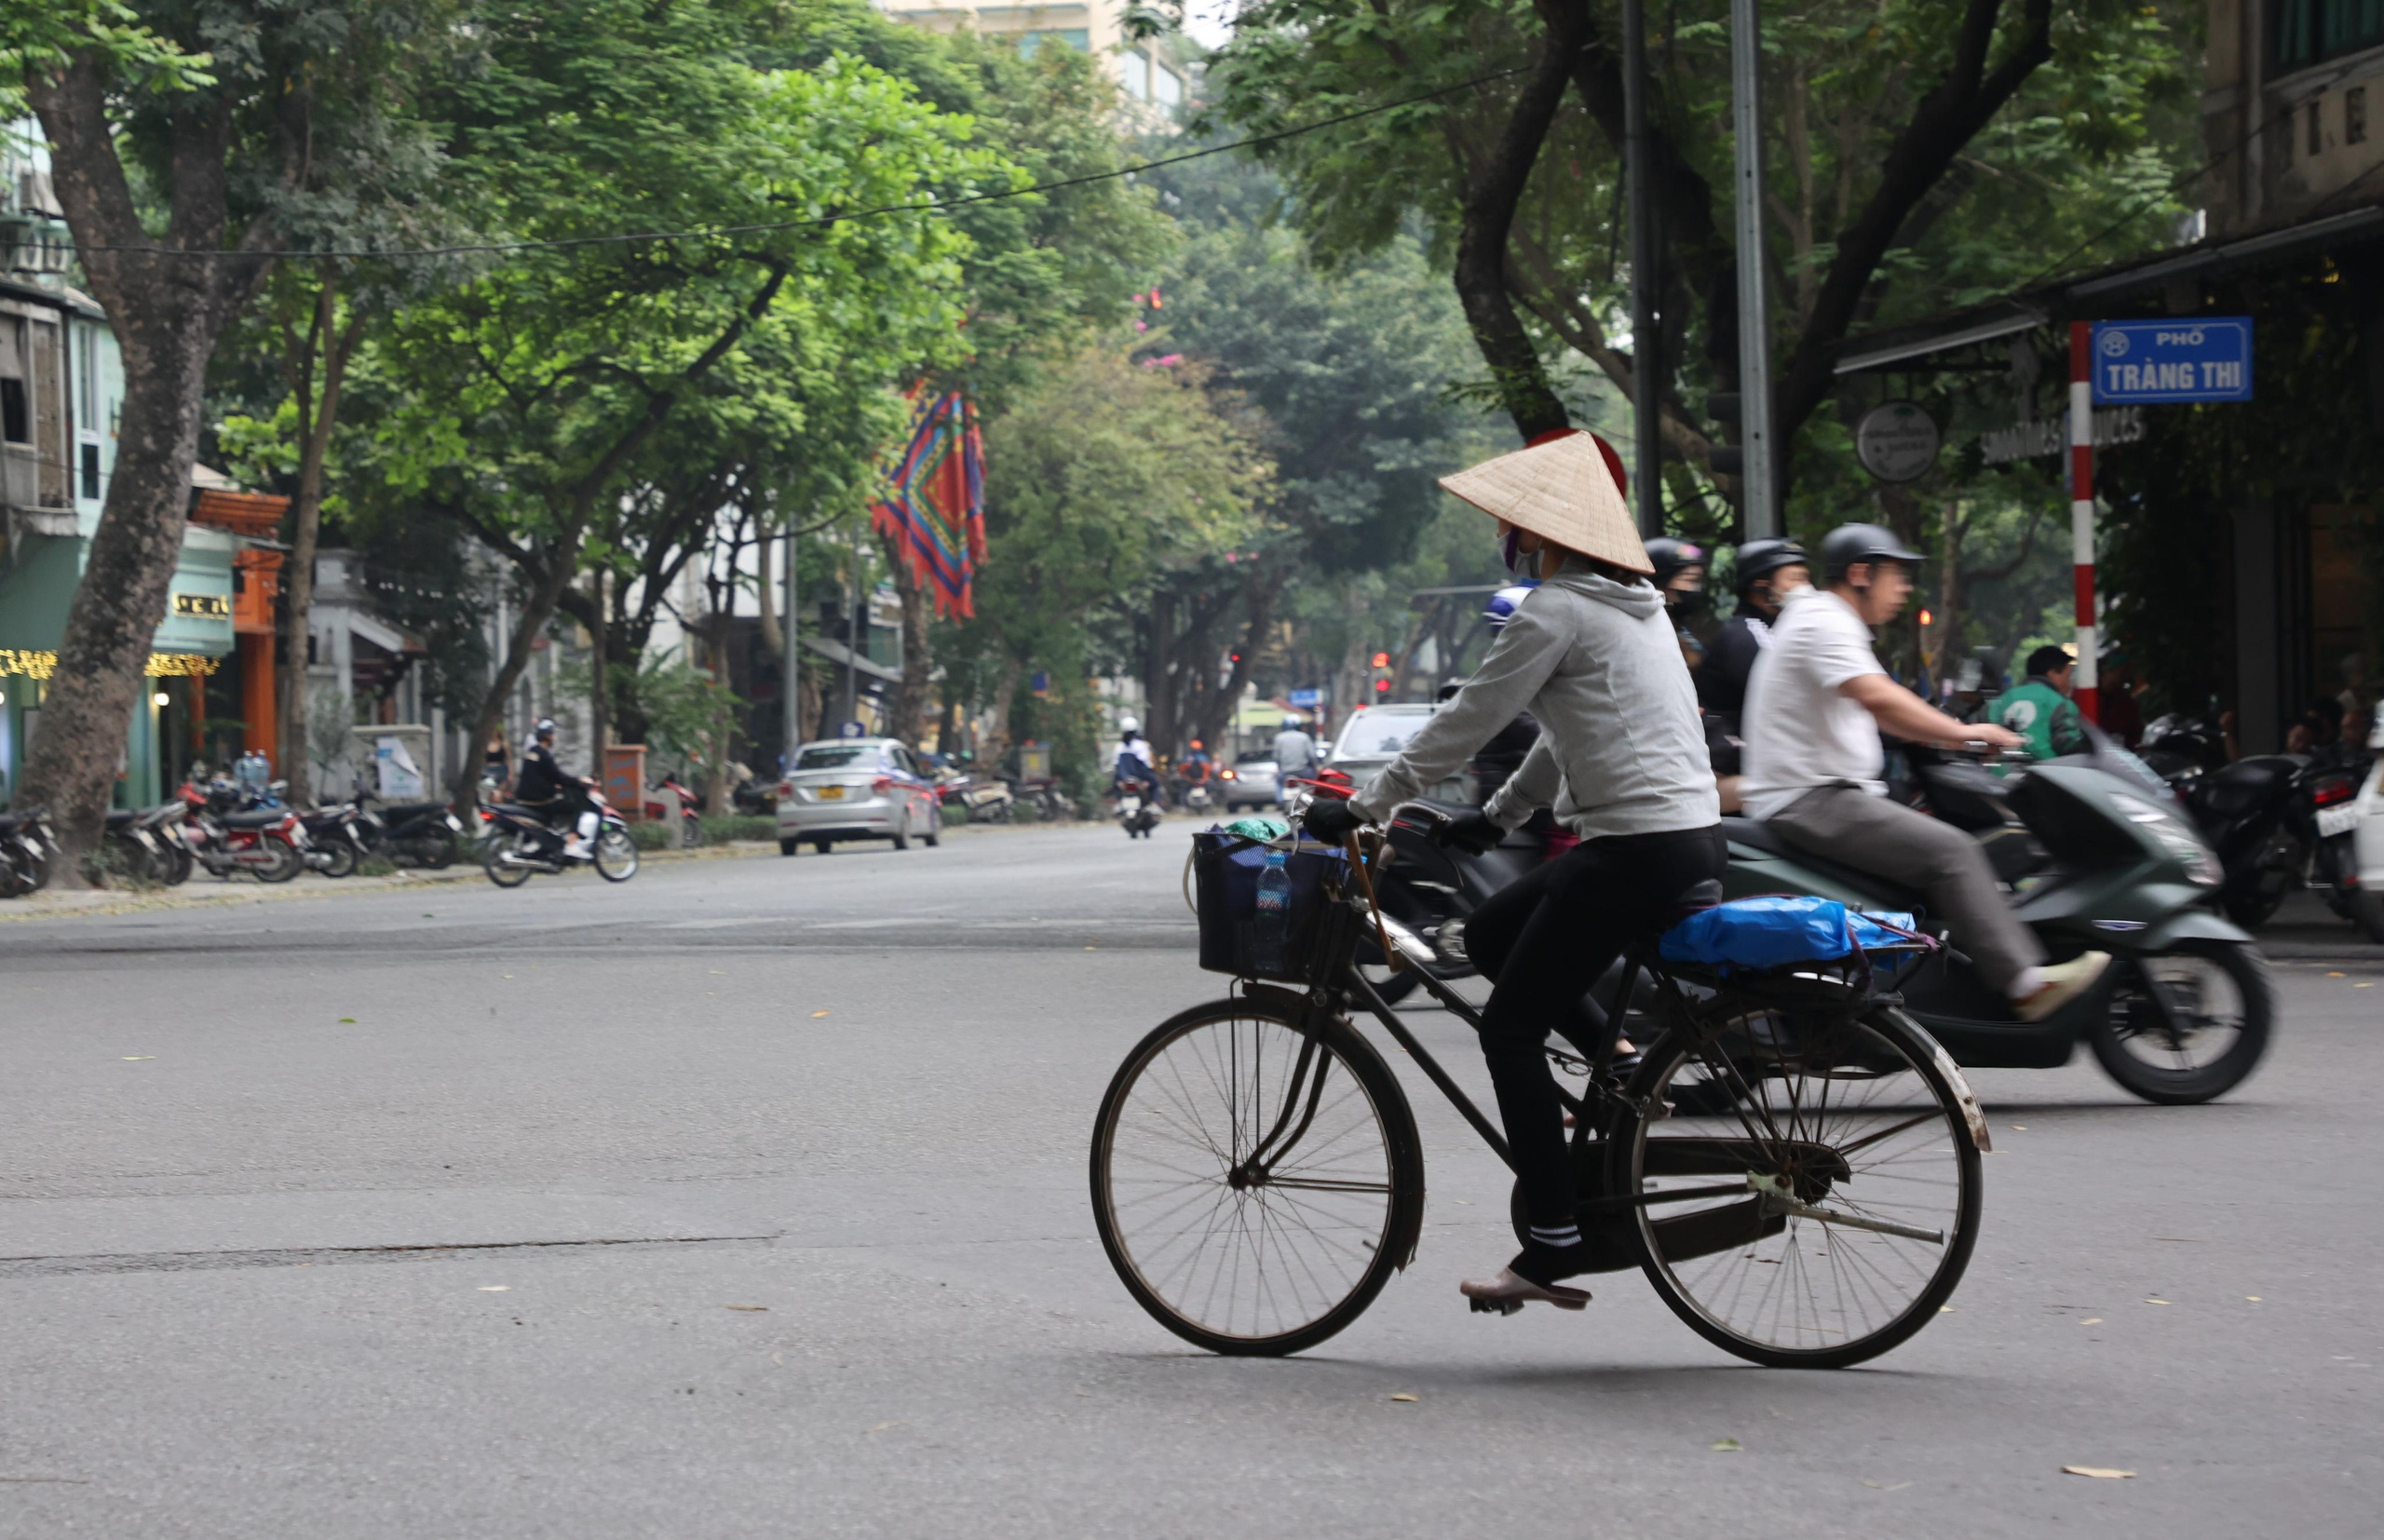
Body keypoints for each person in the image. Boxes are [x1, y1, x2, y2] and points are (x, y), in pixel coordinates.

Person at [1304, 430, 1723, 1314]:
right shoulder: (1630, 610)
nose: (1507, 531)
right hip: (1678, 837)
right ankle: (1618, 1064)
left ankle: (1553, 1241)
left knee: (1506, 1034)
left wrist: (1370, 803)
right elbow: (1561, 737)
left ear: (1542, 529)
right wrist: (1490, 820)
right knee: (1490, 933)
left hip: (1635, 846)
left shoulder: (1553, 610)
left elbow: (1473, 717)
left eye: (1514, 520)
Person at [1740, 524, 2107, 1022]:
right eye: (1897, 575)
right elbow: (1879, 698)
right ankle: (2024, 982)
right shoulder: (1823, 621)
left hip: (1830, 794)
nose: (1905, 589)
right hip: (1813, 799)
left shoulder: (1827, 621)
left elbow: (1886, 712)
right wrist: (1967, 733)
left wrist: (1956, 737)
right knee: (1952, 852)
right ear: (1860, 573)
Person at [514, 718, 600, 858]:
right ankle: (571, 845)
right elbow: (558, 776)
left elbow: (540, 775)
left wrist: (555, 784)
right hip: (539, 800)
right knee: (574, 808)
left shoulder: (531, 752)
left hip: (523, 798)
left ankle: (544, 844)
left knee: (553, 809)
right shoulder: (544, 755)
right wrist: (579, 781)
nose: (554, 738)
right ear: (548, 736)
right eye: (553, 734)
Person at [1993, 644, 2090, 761]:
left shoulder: (2002, 700)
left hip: (1998, 775)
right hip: (2046, 774)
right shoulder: (2061, 704)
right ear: (2053, 673)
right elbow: (2069, 744)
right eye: (2067, 677)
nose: (2069, 684)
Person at [1272, 718, 1318, 784]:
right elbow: (1312, 755)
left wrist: (1279, 769)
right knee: (1313, 783)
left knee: (1278, 783)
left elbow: (1276, 757)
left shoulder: (1279, 738)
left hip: (1285, 772)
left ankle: (1280, 795)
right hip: (1303, 771)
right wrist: (1315, 767)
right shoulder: (1304, 737)